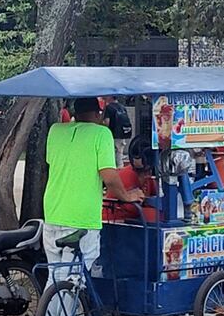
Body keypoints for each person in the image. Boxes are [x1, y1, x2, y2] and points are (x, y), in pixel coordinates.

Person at [43, 97, 144, 284]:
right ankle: (67, 313)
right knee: (74, 278)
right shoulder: (101, 134)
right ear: (99, 114)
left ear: (75, 112)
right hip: (82, 217)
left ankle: (50, 314)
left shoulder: (55, 131)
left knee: (55, 276)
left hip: (52, 212)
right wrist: (128, 196)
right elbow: (109, 176)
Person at [103, 136, 159, 223]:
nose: (143, 175)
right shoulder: (125, 176)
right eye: (138, 171)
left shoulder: (150, 178)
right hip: (116, 222)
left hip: (133, 221)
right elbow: (133, 209)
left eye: (145, 170)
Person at [100, 96, 133, 166]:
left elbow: (107, 122)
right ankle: (121, 172)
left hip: (113, 135)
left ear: (110, 97)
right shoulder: (122, 107)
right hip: (122, 134)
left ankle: (117, 173)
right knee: (119, 156)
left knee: (114, 157)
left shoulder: (109, 107)